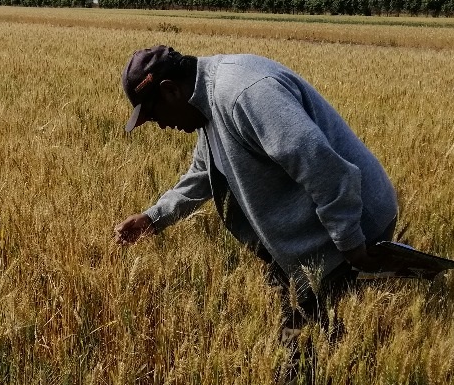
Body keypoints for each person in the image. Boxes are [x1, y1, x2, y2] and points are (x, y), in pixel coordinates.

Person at [113, 45, 399, 348]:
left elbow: (321, 166)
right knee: (309, 331)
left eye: (155, 115)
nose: (163, 126)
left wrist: (352, 243)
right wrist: (154, 217)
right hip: (318, 227)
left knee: (305, 348)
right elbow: (203, 173)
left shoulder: (242, 93)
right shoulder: (204, 103)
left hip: (356, 221)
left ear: (169, 91)